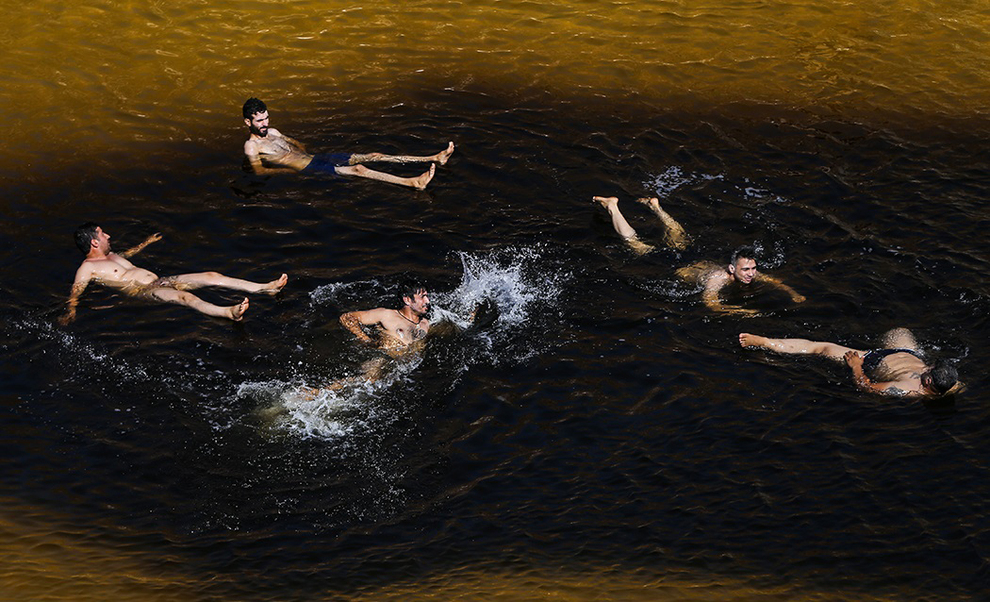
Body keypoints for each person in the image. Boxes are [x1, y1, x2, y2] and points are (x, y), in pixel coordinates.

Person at [593, 195, 805, 315]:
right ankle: (613, 207)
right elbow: (711, 303)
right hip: (675, 264)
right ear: (732, 269)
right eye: (746, 270)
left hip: (693, 258)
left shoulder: (749, 272)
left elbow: (775, 281)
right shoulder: (717, 279)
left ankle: (655, 206)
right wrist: (743, 312)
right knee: (634, 243)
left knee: (679, 234)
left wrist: (792, 293)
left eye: (753, 269)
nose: (751, 274)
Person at [60, 223, 288, 323]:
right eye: (102, 234)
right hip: (144, 291)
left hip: (160, 281)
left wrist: (146, 243)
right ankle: (227, 312)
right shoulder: (87, 268)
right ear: (93, 241)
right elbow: (76, 289)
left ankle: (265, 288)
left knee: (211, 275)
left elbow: (128, 254)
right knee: (185, 298)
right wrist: (71, 311)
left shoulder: (111, 255)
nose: (108, 235)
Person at [242, 98, 454, 190]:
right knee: (359, 169)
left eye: (266, 118)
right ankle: (413, 182)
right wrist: (291, 172)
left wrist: (304, 151)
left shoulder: (273, 131)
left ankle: (434, 157)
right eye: (259, 120)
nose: (265, 123)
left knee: (373, 155)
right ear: (247, 122)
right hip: (308, 168)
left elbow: (298, 143)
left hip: (316, 158)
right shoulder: (251, 146)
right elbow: (260, 172)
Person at [739, 328, 963, 397]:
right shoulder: (952, 384)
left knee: (820, 347)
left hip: (871, 358)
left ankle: (764, 341)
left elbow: (866, 387)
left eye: (928, 372)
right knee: (901, 330)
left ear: (929, 381)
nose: (927, 368)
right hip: (905, 351)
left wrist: (856, 365)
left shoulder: (905, 389)